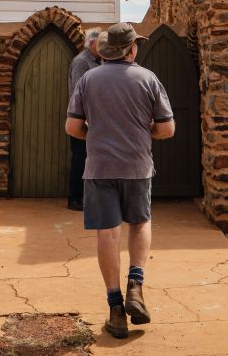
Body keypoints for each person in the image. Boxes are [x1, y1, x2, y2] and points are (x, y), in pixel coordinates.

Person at [65, 22, 175, 340]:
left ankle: (115, 309)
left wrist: (96, 134)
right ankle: (135, 287)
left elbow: (72, 128)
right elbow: (166, 129)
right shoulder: (148, 79)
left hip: (99, 168)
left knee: (107, 233)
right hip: (137, 166)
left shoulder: (88, 79)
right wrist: (143, 132)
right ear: (131, 49)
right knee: (139, 224)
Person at [66, 28, 101, 211]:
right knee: (80, 158)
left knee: (92, 159)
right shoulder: (81, 62)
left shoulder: (99, 61)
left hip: (96, 119)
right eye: (101, 43)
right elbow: (78, 92)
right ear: (92, 44)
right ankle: (74, 199)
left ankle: (90, 197)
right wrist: (84, 118)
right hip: (82, 119)